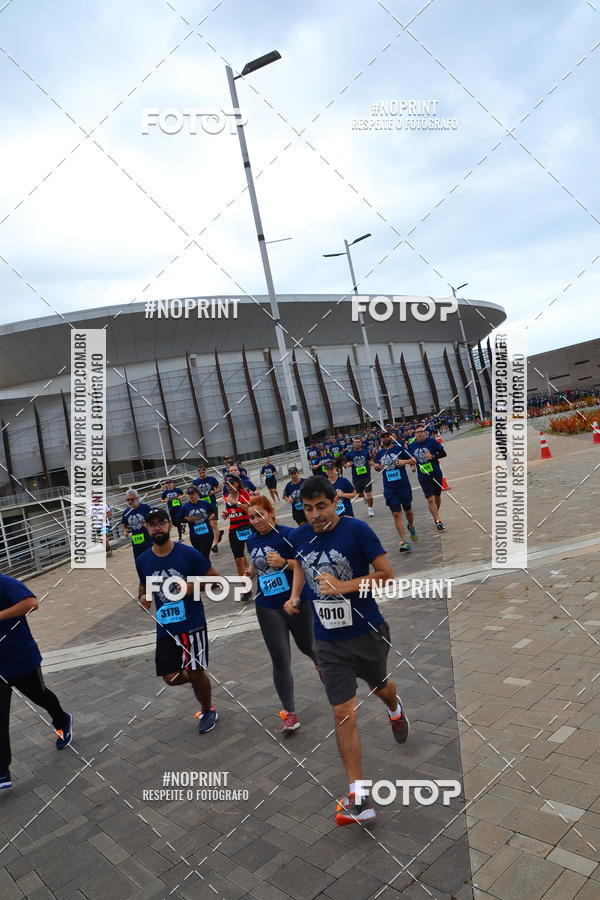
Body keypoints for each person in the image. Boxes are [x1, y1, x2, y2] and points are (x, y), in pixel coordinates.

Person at [285, 477, 410, 826]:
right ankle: (359, 795)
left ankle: (395, 708)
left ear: (334, 502)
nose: (314, 515)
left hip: (367, 632)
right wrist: (295, 596)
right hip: (327, 641)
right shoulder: (298, 536)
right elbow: (298, 564)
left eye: (321, 506)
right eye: (307, 509)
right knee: (342, 709)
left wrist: (345, 586)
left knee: (380, 686)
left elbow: (387, 574)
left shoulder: (357, 531)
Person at [137, 508, 220, 734]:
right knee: (170, 677)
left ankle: (207, 709)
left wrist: (191, 586)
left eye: (161, 522)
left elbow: (216, 581)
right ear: (146, 528)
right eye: (152, 524)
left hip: (192, 623)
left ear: (170, 525)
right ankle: (200, 681)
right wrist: (143, 597)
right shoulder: (143, 560)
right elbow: (144, 585)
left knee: (194, 670)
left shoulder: (188, 554)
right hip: (165, 627)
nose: (157, 527)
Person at [245, 496, 318, 732]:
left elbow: (304, 565)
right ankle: (290, 713)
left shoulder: (290, 534)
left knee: (309, 647)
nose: (256, 521)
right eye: (252, 517)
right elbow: (256, 564)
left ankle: (326, 670)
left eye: (260, 515)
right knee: (280, 658)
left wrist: (283, 562)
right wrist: (250, 573)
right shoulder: (251, 540)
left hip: (296, 601)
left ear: (271, 513)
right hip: (267, 604)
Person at [1, 574, 73, 789]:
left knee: (40, 697)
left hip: (21, 659)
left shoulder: (4, 582)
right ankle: (2, 770)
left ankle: (62, 721)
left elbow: (31, 603)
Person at [373, 430, 417, 552]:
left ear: (391, 437)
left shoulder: (400, 449)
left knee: (408, 510)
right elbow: (377, 466)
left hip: (403, 485)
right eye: (383, 437)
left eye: (388, 436)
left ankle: (411, 526)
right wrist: (376, 467)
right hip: (389, 488)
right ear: (380, 440)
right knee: (396, 514)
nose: (386, 438)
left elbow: (413, 460)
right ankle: (404, 541)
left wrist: (405, 462)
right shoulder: (379, 453)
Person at [408, 424, 448, 531]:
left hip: (435, 473)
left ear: (425, 432)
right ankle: (438, 521)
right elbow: (412, 458)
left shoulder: (432, 442)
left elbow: (443, 453)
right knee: (430, 499)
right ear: (415, 434)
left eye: (422, 431)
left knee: (437, 497)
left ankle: (436, 515)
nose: (420, 433)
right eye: (417, 432)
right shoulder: (411, 445)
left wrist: (433, 456)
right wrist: (412, 466)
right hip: (423, 475)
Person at [221, 474, 254, 600]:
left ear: (236, 483)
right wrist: (226, 513)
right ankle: (246, 589)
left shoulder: (244, 493)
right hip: (234, 529)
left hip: (247, 527)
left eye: (230, 483)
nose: (228, 486)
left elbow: (249, 509)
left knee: (255, 555)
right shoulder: (226, 497)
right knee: (238, 560)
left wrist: (236, 502)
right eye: (226, 484)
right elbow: (231, 511)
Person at [181, 486, 219, 558]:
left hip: (207, 534)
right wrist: (187, 520)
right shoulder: (185, 507)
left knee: (204, 556)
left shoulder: (204, 503)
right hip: (194, 536)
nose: (191, 495)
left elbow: (214, 510)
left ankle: (207, 568)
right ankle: (208, 567)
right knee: (199, 557)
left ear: (197, 493)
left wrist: (212, 516)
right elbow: (179, 519)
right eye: (189, 494)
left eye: (193, 493)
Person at [344, 437, 375, 517]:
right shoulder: (349, 454)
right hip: (356, 477)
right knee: (358, 494)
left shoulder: (365, 452)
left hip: (366, 476)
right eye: (355, 442)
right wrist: (347, 464)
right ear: (353, 444)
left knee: (369, 494)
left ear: (361, 443)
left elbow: (370, 460)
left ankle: (370, 509)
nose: (357, 443)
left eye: (358, 442)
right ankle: (363, 496)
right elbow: (344, 464)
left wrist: (372, 463)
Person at [121, 490, 153, 561]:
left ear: (137, 498)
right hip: (136, 542)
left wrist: (149, 524)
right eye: (128, 499)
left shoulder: (145, 508)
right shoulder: (126, 512)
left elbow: (154, 519)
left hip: (148, 540)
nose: (130, 501)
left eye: (132, 499)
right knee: (139, 561)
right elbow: (124, 524)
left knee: (150, 560)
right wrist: (125, 531)